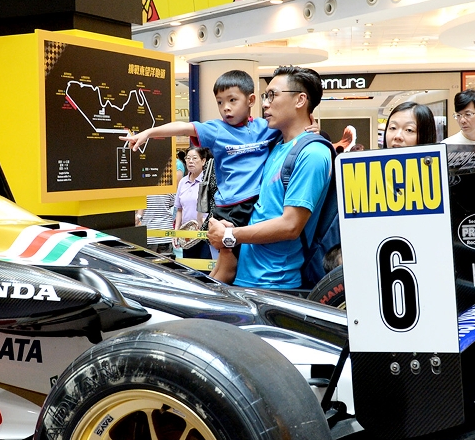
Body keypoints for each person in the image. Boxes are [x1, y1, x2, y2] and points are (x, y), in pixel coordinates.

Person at [126, 70, 291, 284]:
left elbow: (293, 129)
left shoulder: (265, 128)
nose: (226, 108)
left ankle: (206, 295)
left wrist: (314, 130)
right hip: (230, 206)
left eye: (232, 100)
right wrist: (148, 133)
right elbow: (182, 128)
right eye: (220, 102)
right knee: (226, 265)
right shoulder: (217, 129)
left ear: (251, 100)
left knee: (229, 263)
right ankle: (208, 302)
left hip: (255, 204)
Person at [207, 66, 330, 290]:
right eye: (266, 96)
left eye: (272, 95)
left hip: (275, 283)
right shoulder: (276, 147)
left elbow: (290, 225)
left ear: (300, 100)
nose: (265, 103)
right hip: (249, 276)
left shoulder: (312, 153)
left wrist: (229, 235)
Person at [174, 147, 213, 260]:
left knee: (204, 269)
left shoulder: (209, 181)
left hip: (205, 235)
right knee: (190, 269)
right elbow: (179, 209)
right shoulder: (182, 182)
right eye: (188, 158)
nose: (190, 161)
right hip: (187, 236)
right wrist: (177, 231)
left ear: (203, 161)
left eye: (194, 158)